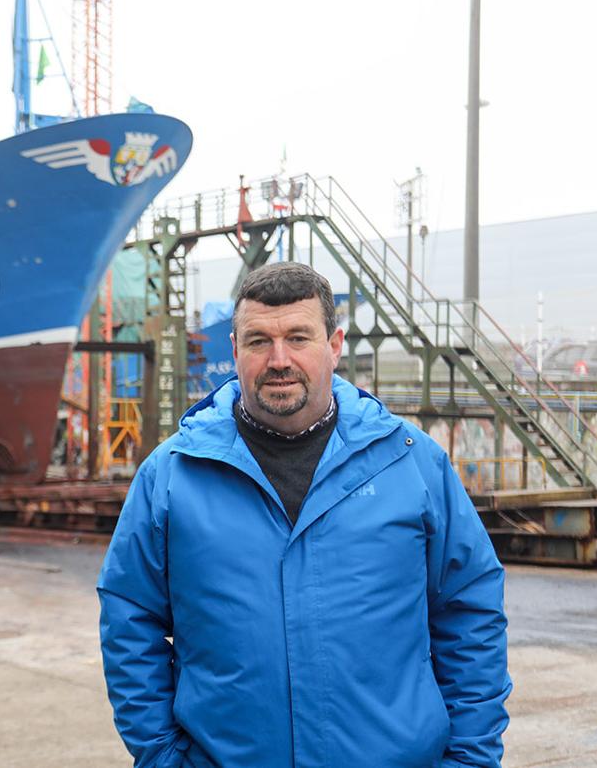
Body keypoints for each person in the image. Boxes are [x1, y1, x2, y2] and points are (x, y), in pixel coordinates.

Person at [98, 262, 510, 768]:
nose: (279, 359)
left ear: (334, 346)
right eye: (257, 342)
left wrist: (470, 758)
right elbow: (129, 620)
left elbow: (470, 609)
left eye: (298, 337)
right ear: (234, 350)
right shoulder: (171, 476)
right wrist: (162, 757)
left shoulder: (411, 463)